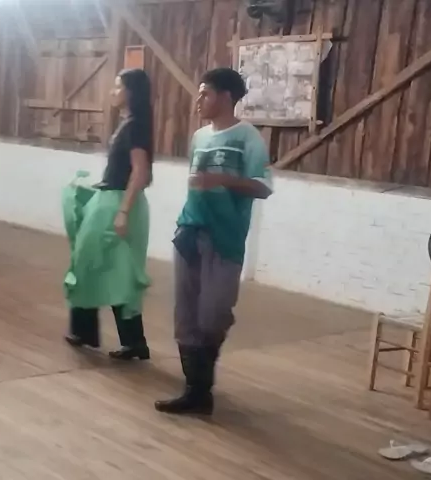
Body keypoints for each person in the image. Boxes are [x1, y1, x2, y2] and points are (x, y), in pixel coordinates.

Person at [155, 67, 273, 415]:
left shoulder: (248, 137)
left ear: (226, 97)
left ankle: (201, 383)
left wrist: (222, 180)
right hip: (190, 231)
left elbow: (263, 186)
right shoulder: (199, 137)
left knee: (214, 313)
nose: (199, 101)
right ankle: (196, 390)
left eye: (205, 94)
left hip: (225, 237)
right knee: (186, 315)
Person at [62, 68, 153, 361]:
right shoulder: (129, 124)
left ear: (131, 92)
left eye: (117, 87)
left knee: (100, 266)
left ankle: (122, 339)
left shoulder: (135, 126)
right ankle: (99, 334)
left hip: (118, 203)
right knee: (99, 266)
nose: (113, 92)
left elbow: (141, 172)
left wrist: (123, 211)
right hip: (112, 199)